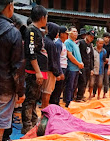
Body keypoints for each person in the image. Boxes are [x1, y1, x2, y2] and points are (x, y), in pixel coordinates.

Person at [0, 0, 25, 140]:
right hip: (4, 85)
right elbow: (17, 67)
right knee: (0, 119)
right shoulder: (13, 33)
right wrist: (20, 91)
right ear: (10, 7)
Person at [22, 5, 48, 134]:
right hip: (33, 71)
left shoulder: (37, 30)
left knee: (35, 97)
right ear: (42, 17)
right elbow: (31, 52)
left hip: (38, 71)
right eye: (46, 17)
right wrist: (37, 71)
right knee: (30, 98)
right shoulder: (31, 30)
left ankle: (32, 121)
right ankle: (27, 125)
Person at [41, 22, 62, 109]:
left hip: (42, 69)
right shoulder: (51, 44)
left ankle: (43, 108)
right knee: (47, 91)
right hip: (50, 71)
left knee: (43, 91)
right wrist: (57, 73)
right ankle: (45, 111)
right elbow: (53, 60)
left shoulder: (44, 40)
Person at [64, 26, 84, 107]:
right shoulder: (68, 42)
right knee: (70, 85)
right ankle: (68, 101)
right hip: (71, 67)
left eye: (76, 31)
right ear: (69, 33)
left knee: (74, 86)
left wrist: (80, 63)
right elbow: (70, 55)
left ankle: (71, 100)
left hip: (76, 68)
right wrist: (78, 63)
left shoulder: (74, 43)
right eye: (74, 31)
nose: (76, 33)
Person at [50, 26, 69, 105]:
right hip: (60, 68)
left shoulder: (62, 43)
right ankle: (54, 103)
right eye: (66, 33)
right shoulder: (58, 44)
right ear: (62, 34)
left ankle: (56, 103)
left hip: (63, 67)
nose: (67, 35)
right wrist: (59, 72)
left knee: (60, 88)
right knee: (57, 88)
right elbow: (56, 59)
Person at [76, 30, 95, 102]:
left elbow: (91, 57)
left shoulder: (90, 45)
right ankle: (78, 97)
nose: (91, 38)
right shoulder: (80, 42)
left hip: (88, 66)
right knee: (81, 81)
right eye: (90, 36)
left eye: (93, 38)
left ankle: (81, 95)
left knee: (85, 81)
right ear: (86, 35)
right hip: (81, 65)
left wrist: (92, 68)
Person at [102, 32, 110, 98]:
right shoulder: (100, 44)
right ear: (103, 37)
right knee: (96, 81)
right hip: (99, 65)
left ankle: (104, 94)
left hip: (107, 66)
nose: (107, 39)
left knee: (106, 80)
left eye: (108, 38)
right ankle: (94, 93)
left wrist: (106, 60)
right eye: (106, 37)